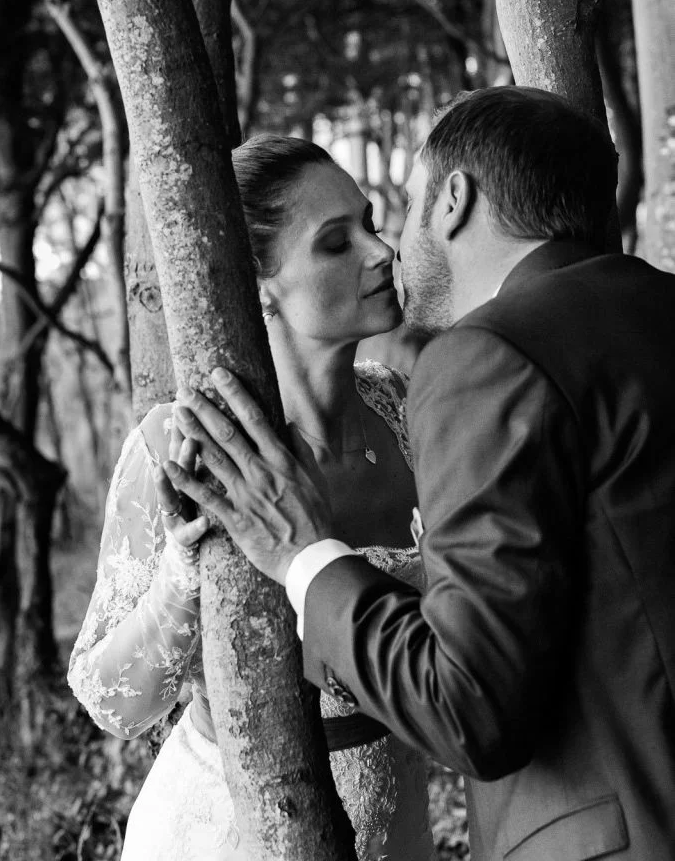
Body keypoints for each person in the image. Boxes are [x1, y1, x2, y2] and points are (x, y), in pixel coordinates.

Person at [167, 87, 675, 861]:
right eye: (341, 240)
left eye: (393, 212)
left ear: (454, 200)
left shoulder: (486, 360)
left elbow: (470, 706)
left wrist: (304, 555)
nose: (389, 251)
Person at [68, 135, 437, 861]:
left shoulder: (404, 411)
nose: (380, 250)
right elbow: (109, 699)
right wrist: (186, 573)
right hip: (228, 827)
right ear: (258, 283)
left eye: (369, 222)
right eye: (336, 243)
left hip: (400, 821)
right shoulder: (182, 445)